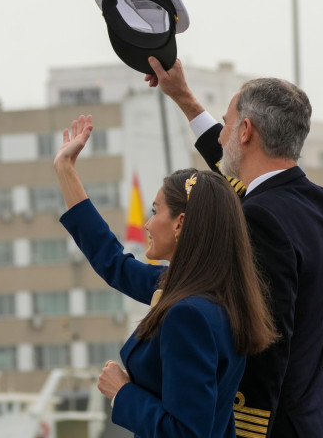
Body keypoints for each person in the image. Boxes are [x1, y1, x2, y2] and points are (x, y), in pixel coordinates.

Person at [145, 57, 323, 437]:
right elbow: (233, 179)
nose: (221, 136)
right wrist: (184, 98)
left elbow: (265, 342)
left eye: (228, 125)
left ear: (247, 131)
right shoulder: (318, 204)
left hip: (269, 428)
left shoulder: (260, 219)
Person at [54, 114, 277, 438]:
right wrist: (66, 170)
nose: (147, 223)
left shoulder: (189, 314)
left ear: (180, 223)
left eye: (155, 211)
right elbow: (114, 263)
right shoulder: (212, 294)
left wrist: (122, 393)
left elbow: (186, 433)